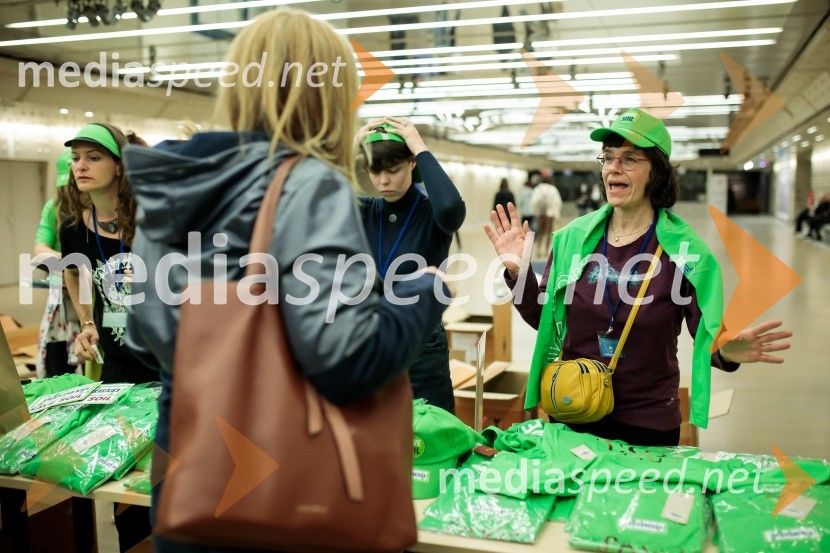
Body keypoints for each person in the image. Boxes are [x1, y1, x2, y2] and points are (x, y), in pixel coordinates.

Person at [121, 8, 453, 552]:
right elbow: (347, 361)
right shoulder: (308, 184)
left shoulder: (172, 180)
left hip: (189, 477)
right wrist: (423, 292)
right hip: (287, 489)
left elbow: (142, 334)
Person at [484, 108, 791, 447]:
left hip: (647, 422)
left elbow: (708, 335)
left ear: (655, 173)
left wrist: (729, 351)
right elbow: (545, 319)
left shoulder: (687, 252)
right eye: (609, 158)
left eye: (629, 159)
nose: (614, 167)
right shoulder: (572, 238)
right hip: (574, 412)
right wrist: (517, 271)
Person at [59, 122, 157, 551]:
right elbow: (75, 273)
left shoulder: (155, 221)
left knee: (174, 487)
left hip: (173, 368)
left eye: (93, 157)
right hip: (118, 371)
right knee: (128, 497)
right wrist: (86, 322)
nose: (81, 165)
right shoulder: (73, 229)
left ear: (120, 166)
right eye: (76, 157)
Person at [355, 117, 466, 413]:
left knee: (431, 443)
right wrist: (351, 145)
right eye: (375, 172)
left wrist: (419, 146)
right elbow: (315, 197)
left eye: (393, 170)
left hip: (423, 346)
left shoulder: (432, 212)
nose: (383, 181)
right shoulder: (365, 211)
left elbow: (452, 209)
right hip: (373, 339)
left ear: (411, 164)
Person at [33, 150, 80, 378]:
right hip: (61, 296)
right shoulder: (53, 208)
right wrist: (68, 261)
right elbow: (40, 247)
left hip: (90, 294)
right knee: (58, 362)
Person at [530, 176, 562, 254]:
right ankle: (546, 251)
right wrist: (557, 214)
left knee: (540, 232)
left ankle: (538, 250)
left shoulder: (538, 189)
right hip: (550, 214)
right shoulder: (553, 189)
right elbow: (558, 202)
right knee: (548, 233)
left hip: (540, 214)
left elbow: (534, 202)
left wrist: (535, 212)